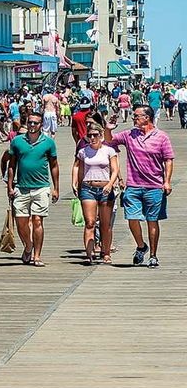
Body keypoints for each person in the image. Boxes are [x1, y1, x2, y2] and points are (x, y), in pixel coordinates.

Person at [104, 106, 174, 268]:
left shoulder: (162, 137)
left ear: (147, 118)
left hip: (154, 186)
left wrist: (167, 181)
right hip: (133, 186)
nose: (133, 118)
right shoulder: (130, 135)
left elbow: (168, 159)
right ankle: (141, 245)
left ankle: (153, 255)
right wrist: (108, 129)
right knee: (132, 218)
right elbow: (109, 141)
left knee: (152, 221)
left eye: (136, 116)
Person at [7, 112, 59, 267]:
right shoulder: (17, 141)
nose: (32, 126)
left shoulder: (48, 142)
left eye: (35, 123)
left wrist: (56, 188)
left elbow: (54, 165)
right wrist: (10, 186)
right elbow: (12, 165)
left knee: (37, 220)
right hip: (21, 187)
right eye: (30, 122)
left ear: (41, 125)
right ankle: (28, 246)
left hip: (41, 187)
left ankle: (37, 255)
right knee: (21, 221)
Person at [71, 124, 119, 264]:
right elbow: (78, 168)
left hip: (105, 188)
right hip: (88, 188)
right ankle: (89, 253)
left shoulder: (109, 151)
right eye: (90, 135)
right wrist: (76, 183)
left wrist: (110, 184)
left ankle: (106, 252)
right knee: (90, 222)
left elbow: (115, 169)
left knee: (105, 224)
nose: (92, 138)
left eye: (95, 135)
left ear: (101, 136)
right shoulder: (83, 152)